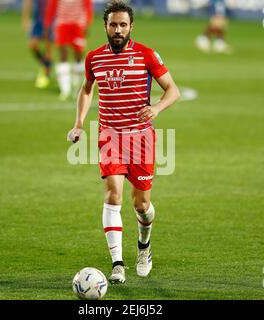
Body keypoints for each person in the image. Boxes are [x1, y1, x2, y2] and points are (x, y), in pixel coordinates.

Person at [67, 0, 180, 284]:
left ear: (131, 27)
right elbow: (86, 89)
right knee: (112, 195)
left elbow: (172, 90)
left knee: (141, 204)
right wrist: (79, 123)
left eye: (123, 25)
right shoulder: (94, 58)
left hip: (141, 138)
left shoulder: (146, 55)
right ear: (105, 26)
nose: (118, 30)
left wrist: (156, 108)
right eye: (113, 25)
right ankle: (117, 263)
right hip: (110, 136)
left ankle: (144, 247)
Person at [44, 0, 93, 101]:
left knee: (79, 56)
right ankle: (65, 90)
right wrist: (48, 24)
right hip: (62, 24)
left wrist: (87, 23)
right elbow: (52, 7)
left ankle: (76, 88)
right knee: (63, 54)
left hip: (78, 25)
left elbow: (87, 6)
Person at [22, 0, 54, 89]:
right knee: (32, 45)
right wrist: (25, 18)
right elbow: (27, 2)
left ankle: (45, 75)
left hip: (51, 20)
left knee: (48, 48)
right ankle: (45, 65)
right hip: (38, 20)